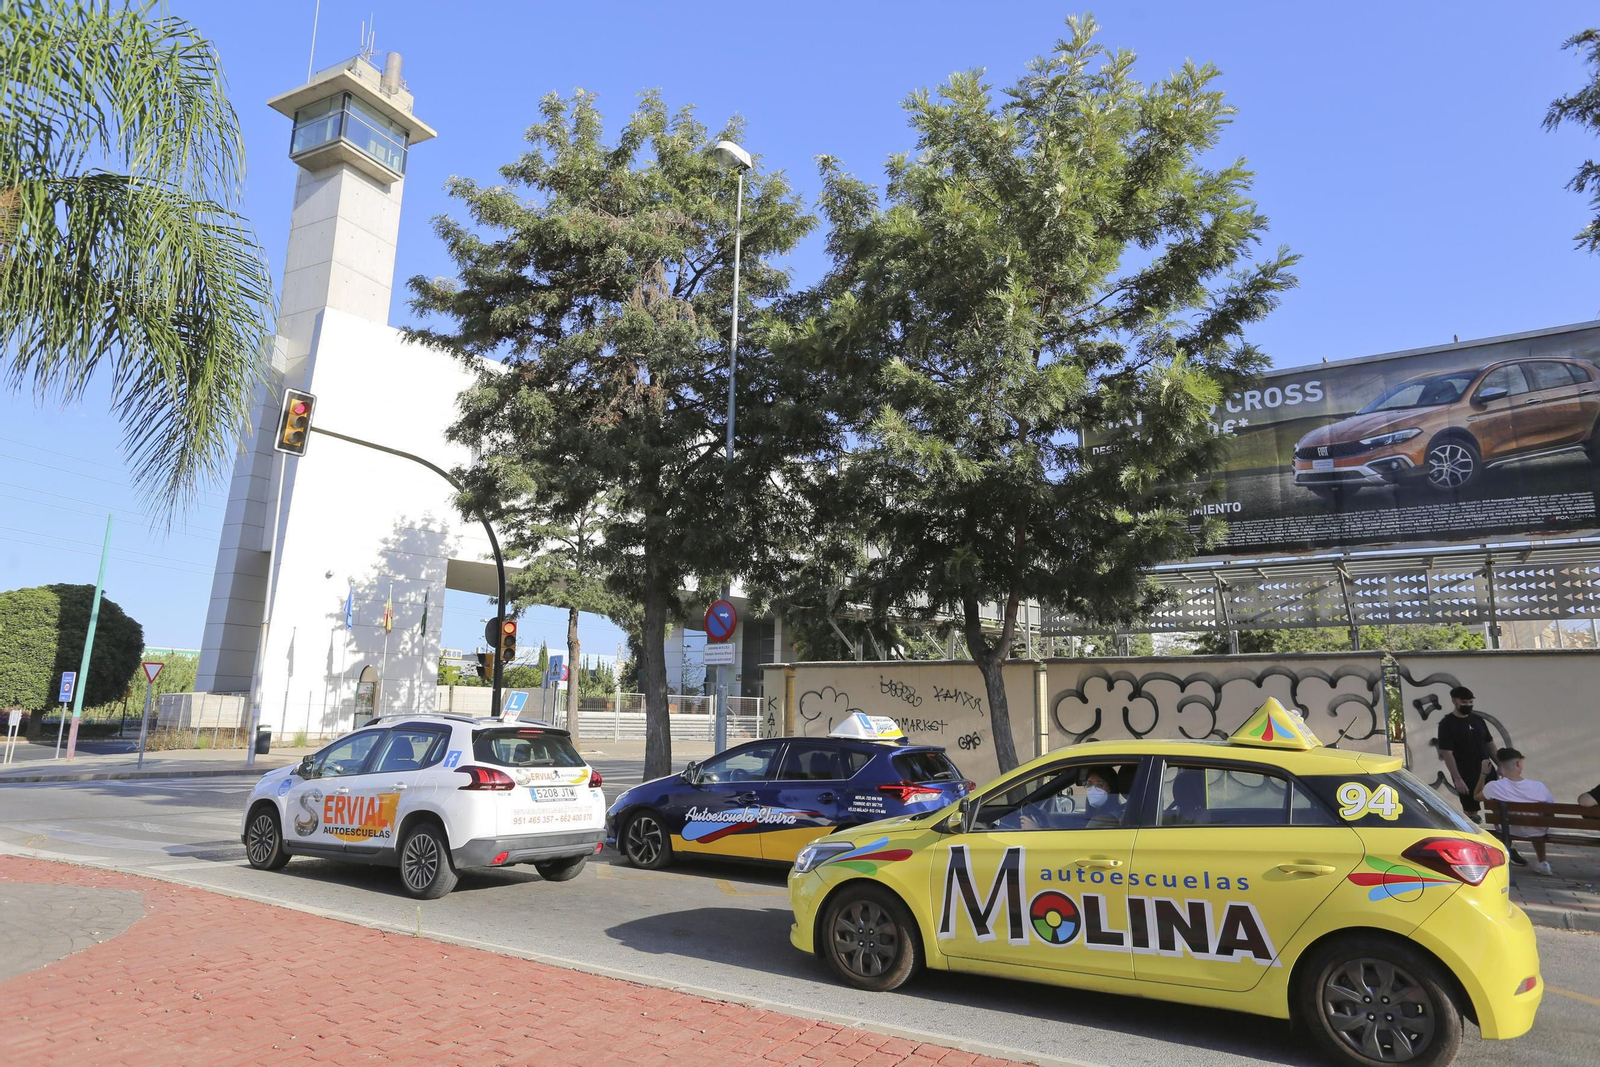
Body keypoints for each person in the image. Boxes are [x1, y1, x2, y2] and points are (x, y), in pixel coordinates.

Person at [1477, 748, 1556, 876]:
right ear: (1518, 764)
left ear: (1500, 766)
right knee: (1538, 824)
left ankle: (1503, 861)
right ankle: (1543, 863)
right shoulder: (1538, 786)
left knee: (1505, 823)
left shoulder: (1494, 786)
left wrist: (1483, 774)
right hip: (1536, 830)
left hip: (1507, 829)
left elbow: (1476, 796)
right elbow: (1550, 812)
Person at [1436, 686, 1496, 823]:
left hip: (1488, 770)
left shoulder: (1478, 720)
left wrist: (1501, 766)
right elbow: (1447, 754)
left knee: (1497, 805)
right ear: (1454, 701)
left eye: (1470, 702)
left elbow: (1489, 743)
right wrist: (1457, 779)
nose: (1467, 705)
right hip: (1466, 773)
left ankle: (1503, 839)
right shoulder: (1446, 724)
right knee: (1471, 810)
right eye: (1464, 702)